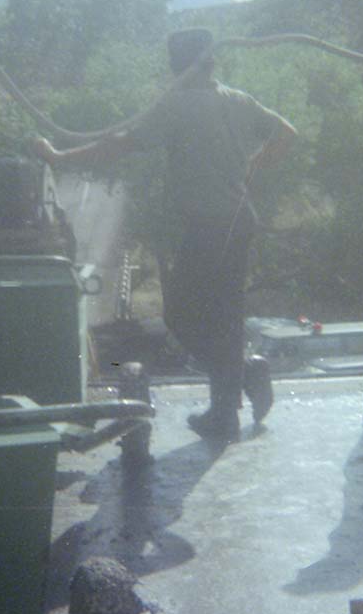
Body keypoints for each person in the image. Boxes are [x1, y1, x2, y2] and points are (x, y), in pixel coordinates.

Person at [34, 28, 297, 443]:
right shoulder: (237, 99)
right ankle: (227, 410)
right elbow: (286, 133)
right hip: (238, 219)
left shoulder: (179, 104)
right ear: (211, 60)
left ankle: (244, 377)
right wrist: (252, 171)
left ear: (177, 65)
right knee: (225, 317)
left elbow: (121, 144)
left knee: (180, 316)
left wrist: (59, 157)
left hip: (209, 225)